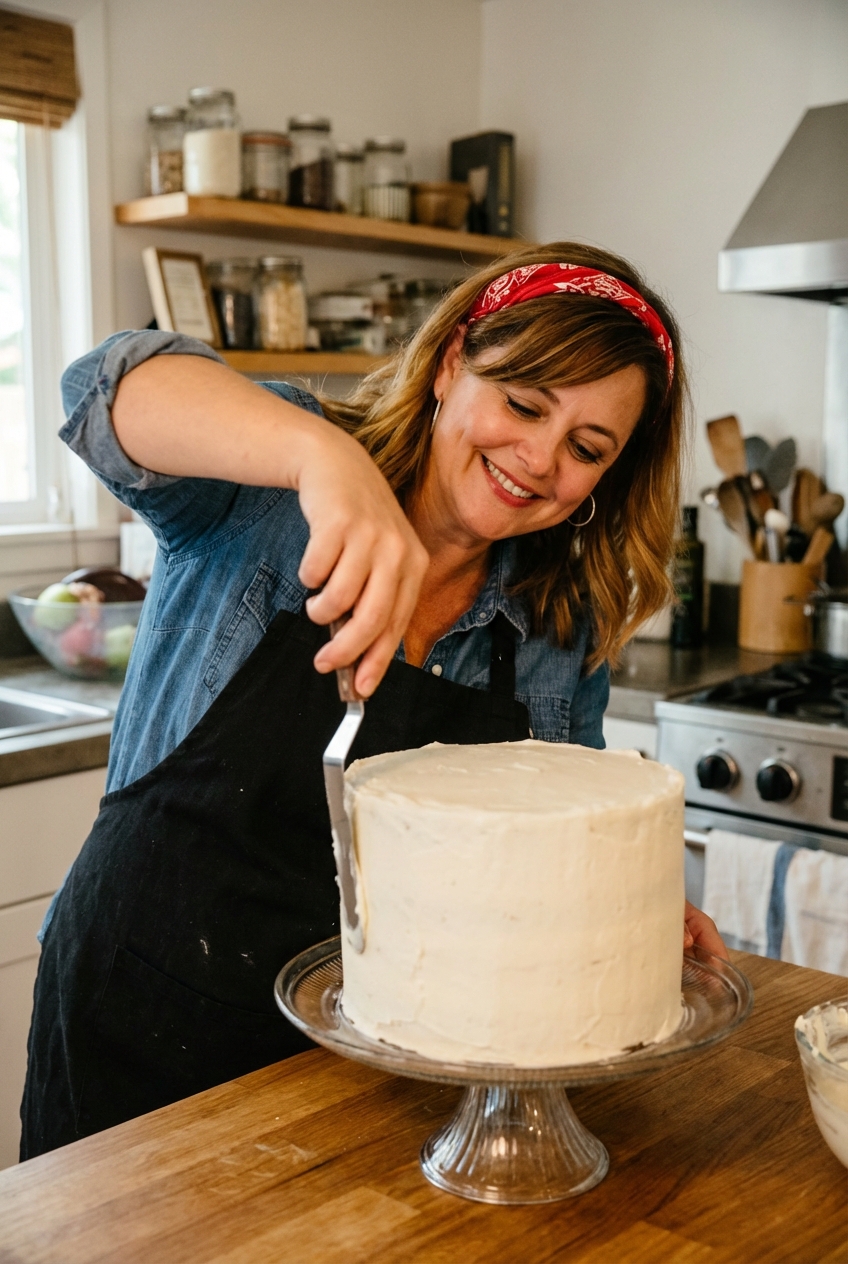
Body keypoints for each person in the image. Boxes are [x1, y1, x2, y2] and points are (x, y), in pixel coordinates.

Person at [20, 241, 725, 1159]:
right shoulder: (267, 494)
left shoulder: (560, 630)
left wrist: (627, 912)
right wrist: (323, 459)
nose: (539, 459)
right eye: (522, 404)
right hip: (139, 1013)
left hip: (372, 1063)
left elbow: (552, 854)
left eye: (586, 448)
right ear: (449, 366)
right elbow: (99, 390)